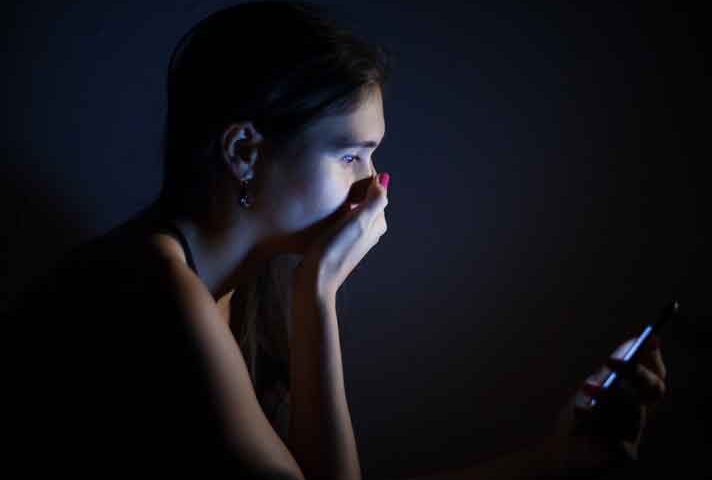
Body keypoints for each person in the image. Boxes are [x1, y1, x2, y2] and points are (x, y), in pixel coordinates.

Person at [7, 1, 667, 478]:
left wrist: (553, 460)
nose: (371, 184)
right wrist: (317, 291)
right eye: (351, 155)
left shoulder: (243, 280)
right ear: (244, 151)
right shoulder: (152, 289)